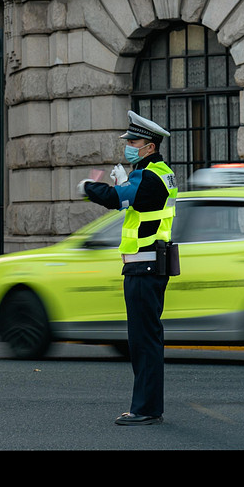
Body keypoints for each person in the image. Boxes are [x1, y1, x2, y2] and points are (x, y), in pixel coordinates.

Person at [79, 110, 177, 426]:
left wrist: (88, 187)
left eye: (133, 141)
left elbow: (117, 199)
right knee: (146, 339)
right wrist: (127, 180)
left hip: (145, 266)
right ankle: (148, 406)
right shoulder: (159, 172)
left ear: (149, 146)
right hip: (149, 264)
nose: (128, 146)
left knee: (143, 341)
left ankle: (146, 409)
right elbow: (136, 203)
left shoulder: (149, 175)